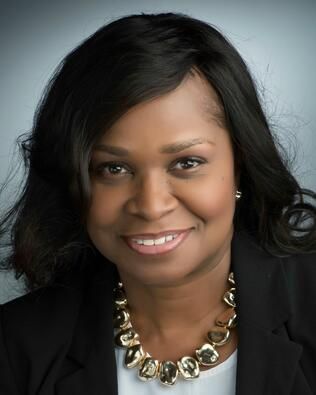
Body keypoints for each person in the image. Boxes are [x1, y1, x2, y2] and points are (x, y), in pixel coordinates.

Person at [0, 11, 315, 395]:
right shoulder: (14, 347)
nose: (150, 206)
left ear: (241, 166)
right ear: (73, 180)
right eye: (113, 168)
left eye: (187, 163)